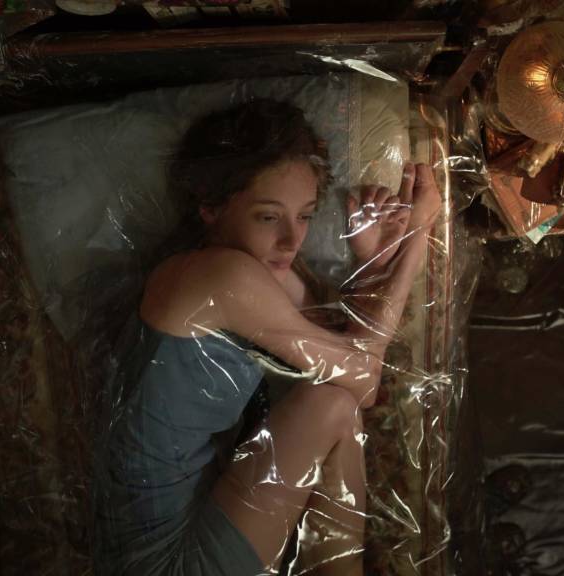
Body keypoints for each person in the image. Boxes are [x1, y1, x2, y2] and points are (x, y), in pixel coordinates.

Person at [93, 99, 441, 575]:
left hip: (196, 516)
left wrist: (374, 263)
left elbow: (345, 355)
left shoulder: (254, 270)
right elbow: (362, 378)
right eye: (268, 217)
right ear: (210, 207)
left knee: (333, 404)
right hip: (166, 563)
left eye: (305, 216)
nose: (291, 240)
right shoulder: (221, 278)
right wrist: (419, 234)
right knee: (331, 406)